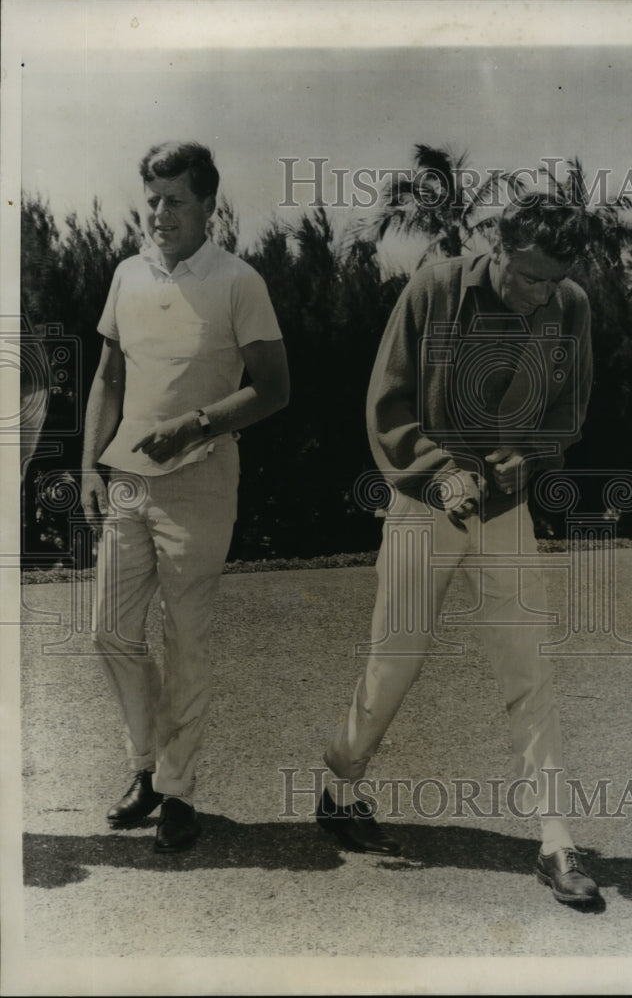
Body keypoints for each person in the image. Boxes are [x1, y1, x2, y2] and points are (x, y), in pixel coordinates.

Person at [317, 194, 600, 905]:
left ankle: (556, 841)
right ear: (496, 246)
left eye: (553, 279)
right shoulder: (435, 287)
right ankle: (337, 787)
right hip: (422, 507)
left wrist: (527, 456)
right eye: (529, 277)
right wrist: (441, 473)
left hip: (504, 515)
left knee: (528, 671)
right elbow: (387, 402)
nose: (543, 295)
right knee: (396, 662)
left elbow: (568, 411)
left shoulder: (570, 307)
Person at [81, 141, 289, 852]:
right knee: (111, 630)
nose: (160, 213)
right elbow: (108, 380)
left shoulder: (240, 281)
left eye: (174, 200)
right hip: (129, 481)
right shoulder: (126, 274)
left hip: (202, 480)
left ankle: (176, 791)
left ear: (208, 206)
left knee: (187, 640)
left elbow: (275, 388)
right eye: (153, 200)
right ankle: (143, 767)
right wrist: (88, 467)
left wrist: (197, 423)